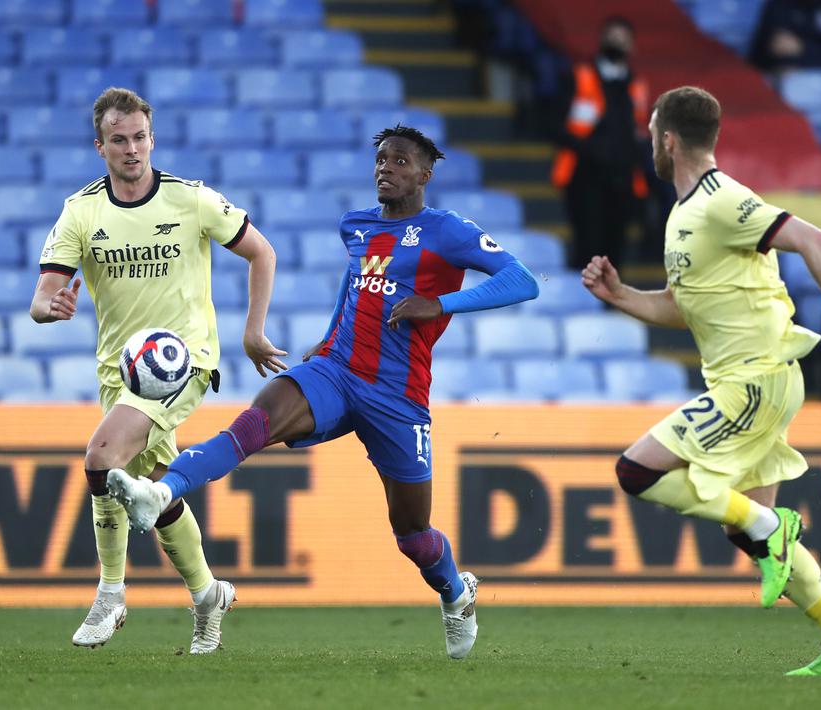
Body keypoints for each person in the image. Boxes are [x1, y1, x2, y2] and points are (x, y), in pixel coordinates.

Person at [107, 125, 540, 660]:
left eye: (401, 162)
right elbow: (355, 282)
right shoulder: (355, 226)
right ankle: (163, 491)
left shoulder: (446, 231)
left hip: (398, 398)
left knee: (411, 532)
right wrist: (329, 336)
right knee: (254, 422)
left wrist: (441, 304)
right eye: (381, 159)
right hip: (335, 372)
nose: (386, 168)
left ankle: (455, 592)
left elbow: (523, 280)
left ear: (425, 175)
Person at [581, 86, 821, 676]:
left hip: (756, 380)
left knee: (637, 470)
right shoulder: (685, 214)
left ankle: (770, 527)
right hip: (753, 380)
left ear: (668, 139)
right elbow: (687, 308)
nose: (649, 141)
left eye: (652, 131)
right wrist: (621, 295)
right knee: (748, 533)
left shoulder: (719, 199)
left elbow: (815, 239)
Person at [30, 87, 285, 653]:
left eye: (140, 137)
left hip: (182, 362)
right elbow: (42, 297)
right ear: (100, 146)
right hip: (119, 372)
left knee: (100, 456)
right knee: (154, 490)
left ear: (152, 138)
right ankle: (207, 595)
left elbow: (261, 252)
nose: (132, 149)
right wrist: (52, 307)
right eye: (118, 140)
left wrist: (252, 331)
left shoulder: (190, 200)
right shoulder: (81, 211)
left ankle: (110, 594)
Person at [552, 16, 649, 270]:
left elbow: (637, 132)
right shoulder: (579, 76)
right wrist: (592, 149)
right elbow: (555, 125)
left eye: (622, 39)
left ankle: (609, 304)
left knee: (615, 249)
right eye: (612, 37)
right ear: (601, 40)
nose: (617, 43)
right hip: (584, 176)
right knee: (587, 245)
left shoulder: (636, 84)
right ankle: (582, 304)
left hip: (622, 178)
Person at [748, 0, 821, 80]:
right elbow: (779, 49)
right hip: (778, 90)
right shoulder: (779, 4)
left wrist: (801, 48)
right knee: (789, 76)